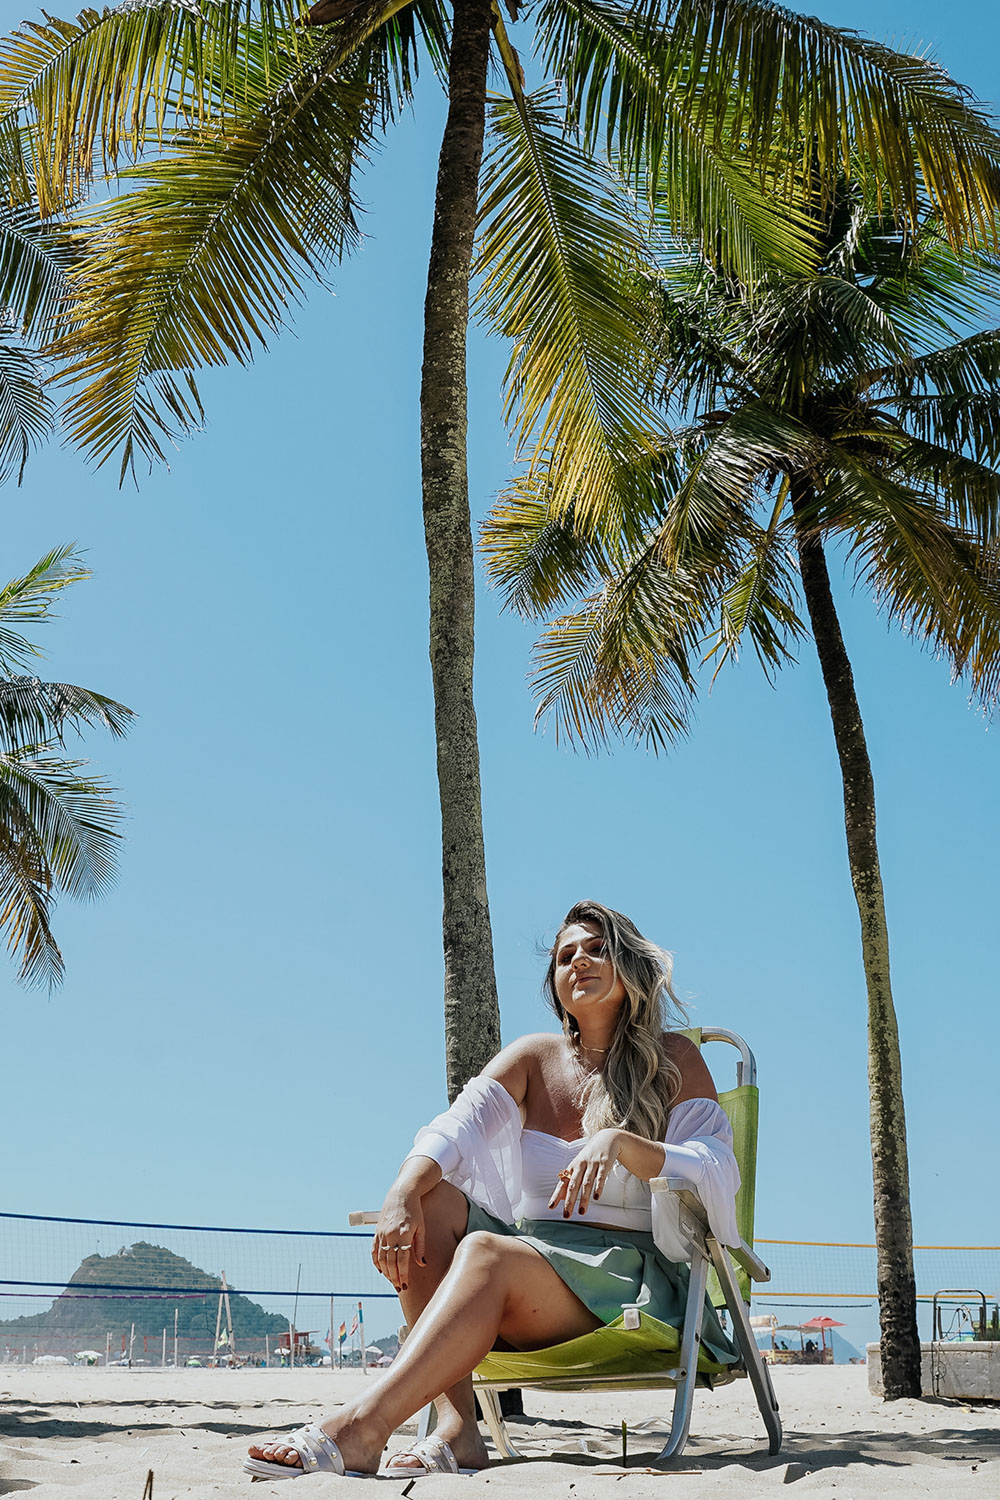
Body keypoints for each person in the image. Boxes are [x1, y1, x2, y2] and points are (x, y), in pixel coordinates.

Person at [245, 900, 741, 1480]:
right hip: (534, 1261)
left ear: (630, 966)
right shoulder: (534, 1058)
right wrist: (403, 1191)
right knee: (431, 1200)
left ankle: (361, 1428)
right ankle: (458, 1430)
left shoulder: (674, 1058)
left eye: (597, 948)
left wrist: (624, 1143)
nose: (579, 961)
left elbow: (714, 1168)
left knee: (486, 1251)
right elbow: (456, 1127)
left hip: (627, 1280)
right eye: (565, 956)